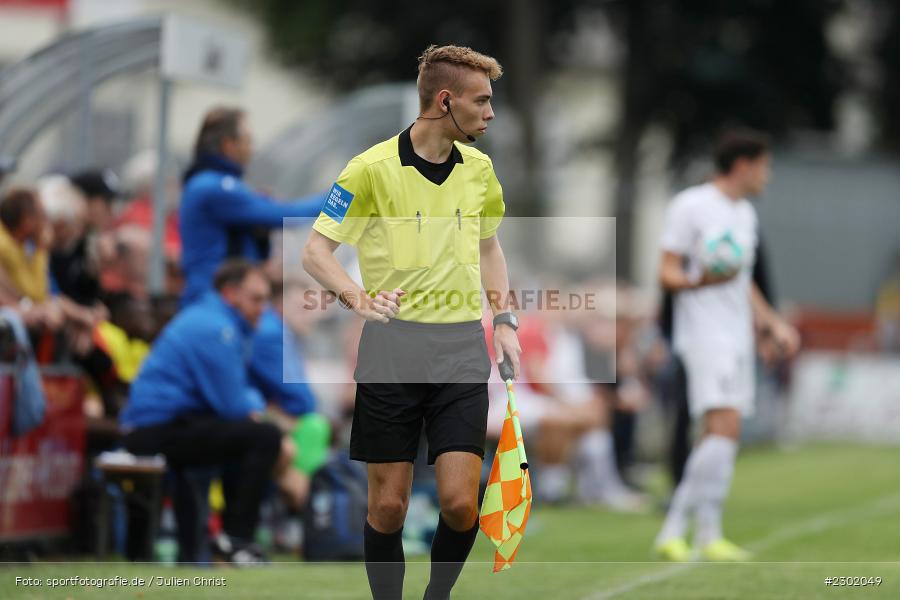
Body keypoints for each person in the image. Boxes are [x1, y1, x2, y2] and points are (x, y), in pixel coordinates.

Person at [302, 44, 519, 600]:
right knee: (388, 505)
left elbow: (489, 248)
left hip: (459, 349)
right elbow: (316, 254)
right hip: (391, 350)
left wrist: (506, 319)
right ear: (446, 101)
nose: (491, 112)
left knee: (459, 503)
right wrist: (358, 299)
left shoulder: (480, 170)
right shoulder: (369, 169)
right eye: (482, 101)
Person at [653, 129, 800, 562]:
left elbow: (744, 282)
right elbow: (666, 272)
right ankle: (677, 530)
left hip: (735, 335)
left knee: (723, 435)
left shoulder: (745, 215)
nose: (767, 177)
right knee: (722, 428)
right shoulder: (691, 205)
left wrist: (772, 324)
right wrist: (701, 280)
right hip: (703, 335)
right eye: (764, 167)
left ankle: (706, 534)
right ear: (742, 165)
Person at [119, 260, 285, 564]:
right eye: (256, 298)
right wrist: (257, 407)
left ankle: (224, 544)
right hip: (153, 430)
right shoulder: (216, 327)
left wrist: (250, 406)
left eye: (267, 299)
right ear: (231, 293)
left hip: (170, 424)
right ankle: (236, 543)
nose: (264, 308)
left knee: (250, 436)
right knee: (264, 437)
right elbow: (233, 403)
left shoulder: (216, 320)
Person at [179, 106, 325, 306]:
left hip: (219, 296)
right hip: (211, 299)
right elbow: (288, 215)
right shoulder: (215, 186)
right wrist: (343, 194)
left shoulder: (212, 183)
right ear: (229, 145)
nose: (252, 148)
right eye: (247, 140)